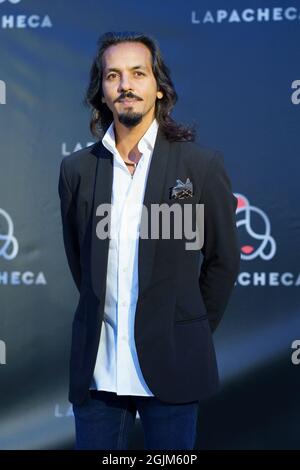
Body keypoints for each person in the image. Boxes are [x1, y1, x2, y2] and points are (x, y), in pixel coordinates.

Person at [58, 31, 240, 450]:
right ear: (101, 93)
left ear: (158, 87)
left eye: (138, 73)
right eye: (113, 76)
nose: (126, 85)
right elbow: (81, 262)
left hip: (174, 369)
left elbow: (223, 261)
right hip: (98, 374)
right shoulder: (76, 169)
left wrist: (186, 329)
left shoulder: (200, 165)